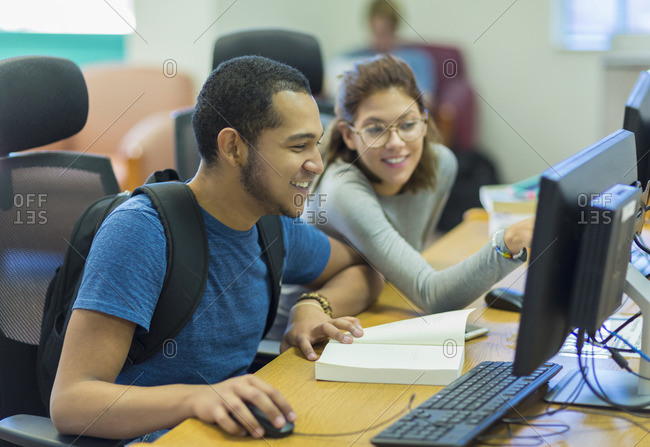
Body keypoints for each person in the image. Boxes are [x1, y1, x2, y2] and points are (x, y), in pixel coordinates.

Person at [49, 55, 383, 443]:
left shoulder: (271, 226)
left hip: (232, 430)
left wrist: (310, 307)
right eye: (299, 146)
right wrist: (197, 400)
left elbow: (366, 268)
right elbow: (72, 402)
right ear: (233, 147)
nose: (317, 164)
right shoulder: (142, 232)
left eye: (317, 144)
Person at [274, 54, 533, 331]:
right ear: (348, 135)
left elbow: (409, 261)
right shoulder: (342, 190)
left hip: (374, 306)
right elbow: (432, 295)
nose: (396, 143)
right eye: (376, 129)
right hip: (302, 333)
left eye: (408, 124)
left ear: (424, 120)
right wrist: (510, 240)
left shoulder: (441, 164)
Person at [325, 0, 436, 106]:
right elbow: (327, 85)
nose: (379, 40)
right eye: (375, 33)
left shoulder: (416, 59)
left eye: (384, 33)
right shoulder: (350, 57)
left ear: (395, 29)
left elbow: (426, 100)